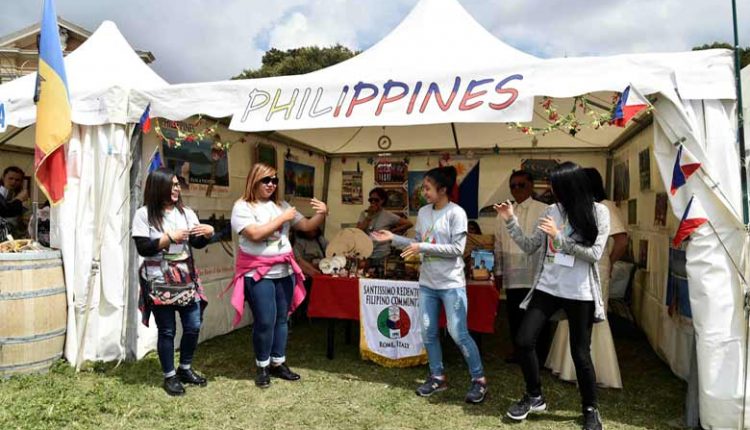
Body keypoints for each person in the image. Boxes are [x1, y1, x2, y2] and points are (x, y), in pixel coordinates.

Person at [495, 162, 609, 430]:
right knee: (523, 340)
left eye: (554, 186)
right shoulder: (551, 211)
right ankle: (534, 396)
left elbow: (594, 254)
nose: (551, 191)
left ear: (569, 185)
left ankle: (590, 408)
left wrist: (560, 239)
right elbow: (530, 245)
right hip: (548, 287)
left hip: (579, 291)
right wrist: (510, 220)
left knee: (580, 353)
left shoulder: (598, 212)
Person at [371, 166, 488, 404]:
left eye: (427, 188)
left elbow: (457, 250)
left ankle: (479, 381)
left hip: (451, 284)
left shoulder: (457, 213)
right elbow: (417, 242)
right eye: (423, 187)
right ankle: (437, 376)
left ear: (443, 189)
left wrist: (422, 247)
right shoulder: (424, 212)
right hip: (427, 284)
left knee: (458, 334)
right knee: (428, 332)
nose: (423, 192)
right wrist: (393, 238)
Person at [228, 163, 328, 389]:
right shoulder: (242, 207)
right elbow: (254, 234)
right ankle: (262, 365)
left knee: (283, 318)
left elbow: (307, 225)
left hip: (284, 271)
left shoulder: (281, 205)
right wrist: (284, 219)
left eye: (275, 180)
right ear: (255, 180)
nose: (272, 184)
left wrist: (322, 213)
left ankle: (278, 362)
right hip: (258, 273)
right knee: (265, 320)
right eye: (267, 180)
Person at [131, 168, 215, 396]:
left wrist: (208, 234)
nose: (177, 188)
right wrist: (168, 238)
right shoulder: (143, 214)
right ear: (159, 186)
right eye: (172, 184)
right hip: (159, 279)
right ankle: (170, 376)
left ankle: (185, 368)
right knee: (167, 331)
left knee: (193, 325)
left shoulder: (186, 213)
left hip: (186, 277)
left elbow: (196, 242)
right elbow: (142, 248)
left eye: (178, 184)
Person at [545, 168, 627, 388]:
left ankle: (595, 370)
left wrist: (608, 262)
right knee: (570, 315)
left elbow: (621, 240)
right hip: (573, 266)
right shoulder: (574, 207)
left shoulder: (605, 207)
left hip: (595, 267)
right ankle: (566, 366)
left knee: (593, 319)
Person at [493, 170, 549, 364]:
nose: (516, 189)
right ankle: (518, 352)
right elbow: (498, 245)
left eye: (521, 185)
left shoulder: (544, 209)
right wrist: (498, 272)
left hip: (537, 273)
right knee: (515, 315)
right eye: (513, 186)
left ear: (531, 185)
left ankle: (541, 355)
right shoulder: (503, 212)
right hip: (512, 272)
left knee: (538, 314)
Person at [357, 187, 412, 265]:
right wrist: (369, 216)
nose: (373, 202)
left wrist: (393, 232)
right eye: (371, 200)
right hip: (366, 253)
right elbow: (358, 231)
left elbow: (409, 224)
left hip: (382, 254)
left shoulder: (388, 215)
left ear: (382, 201)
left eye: (376, 200)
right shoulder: (364, 214)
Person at [0, 166, 29, 239]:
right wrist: (19, 199)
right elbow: (5, 211)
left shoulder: (18, 194)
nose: (13, 182)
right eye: (10, 178)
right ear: (3, 177)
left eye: (17, 180)